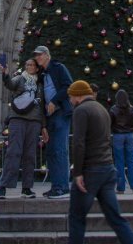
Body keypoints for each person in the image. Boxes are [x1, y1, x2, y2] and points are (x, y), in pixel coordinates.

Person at [66, 80, 133, 244]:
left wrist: (77, 173)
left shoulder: (81, 110)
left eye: (71, 96)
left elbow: (78, 143)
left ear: (78, 95)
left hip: (90, 170)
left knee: (76, 217)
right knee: (116, 218)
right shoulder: (102, 109)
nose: (70, 100)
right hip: (107, 169)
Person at [0, 58, 46, 199]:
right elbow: (10, 84)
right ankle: (3, 187)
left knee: (30, 155)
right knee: (13, 152)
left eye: (31, 65)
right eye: (27, 64)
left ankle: (26, 188)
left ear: (37, 68)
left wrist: (43, 126)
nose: (29, 66)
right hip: (18, 119)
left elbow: (42, 106)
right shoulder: (20, 78)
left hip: (34, 121)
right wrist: (5, 73)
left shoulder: (40, 84)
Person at [33, 45, 74, 198]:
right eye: (36, 55)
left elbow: (68, 86)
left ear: (47, 55)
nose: (37, 57)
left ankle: (63, 188)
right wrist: (43, 125)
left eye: (40, 55)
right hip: (49, 116)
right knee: (51, 152)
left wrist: (54, 101)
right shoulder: (42, 74)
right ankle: (56, 186)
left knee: (59, 150)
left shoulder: (58, 68)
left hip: (61, 112)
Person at [109, 89, 133, 194]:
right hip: (130, 135)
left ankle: (121, 188)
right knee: (131, 161)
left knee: (119, 162)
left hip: (118, 135)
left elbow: (110, 122)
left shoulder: (113, 109)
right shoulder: (132, 109)